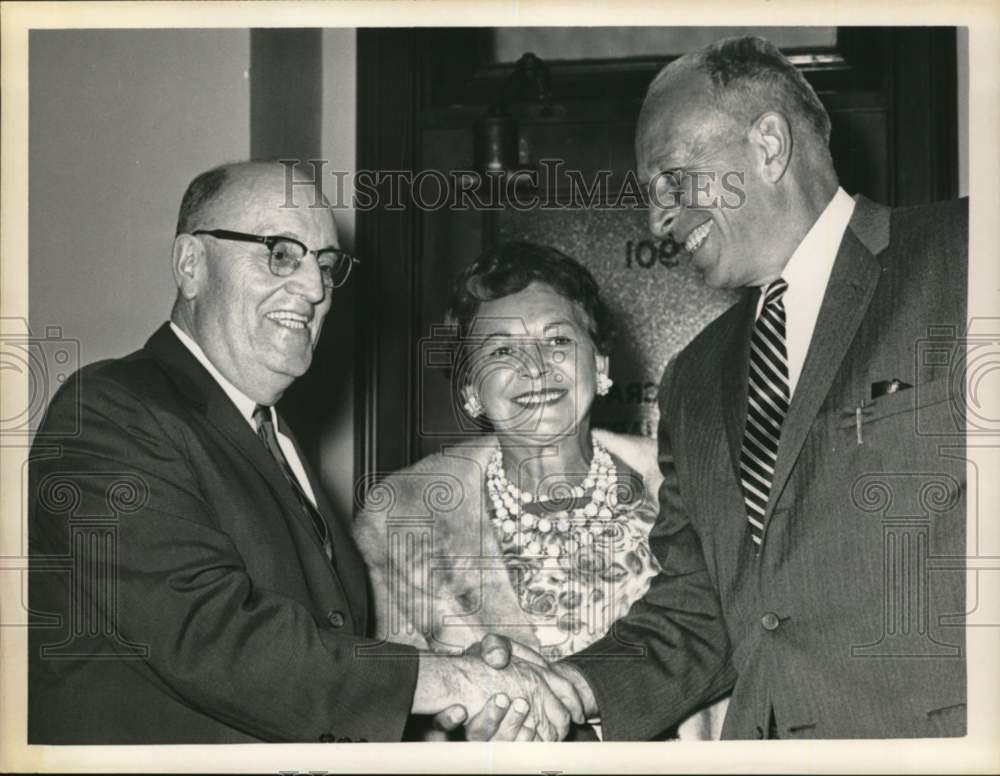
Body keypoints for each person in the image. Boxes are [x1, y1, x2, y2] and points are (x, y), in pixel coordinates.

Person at [470, 35, 968, 740]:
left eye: (672, 180)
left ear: (768, 146)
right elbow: (696, 611)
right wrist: (566, 689)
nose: (657, 220)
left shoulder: (968, 253)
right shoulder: (694, 378)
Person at [27, 160, 585, 744]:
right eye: (280, 254)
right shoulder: (109, 410)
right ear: (191, 264)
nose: (316, 289)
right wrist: (450, 681)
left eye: (325, 264)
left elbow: (322, 660)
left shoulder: (274, 437)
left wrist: (455, 685)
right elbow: (210, 636)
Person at [355, 241, 728, 740]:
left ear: (599, 365)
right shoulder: (402, 523)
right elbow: (384, 709)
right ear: (470, 389)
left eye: (556, 340)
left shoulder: (695, 488)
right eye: (502, 350)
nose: (535, 367)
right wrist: (456, 706)